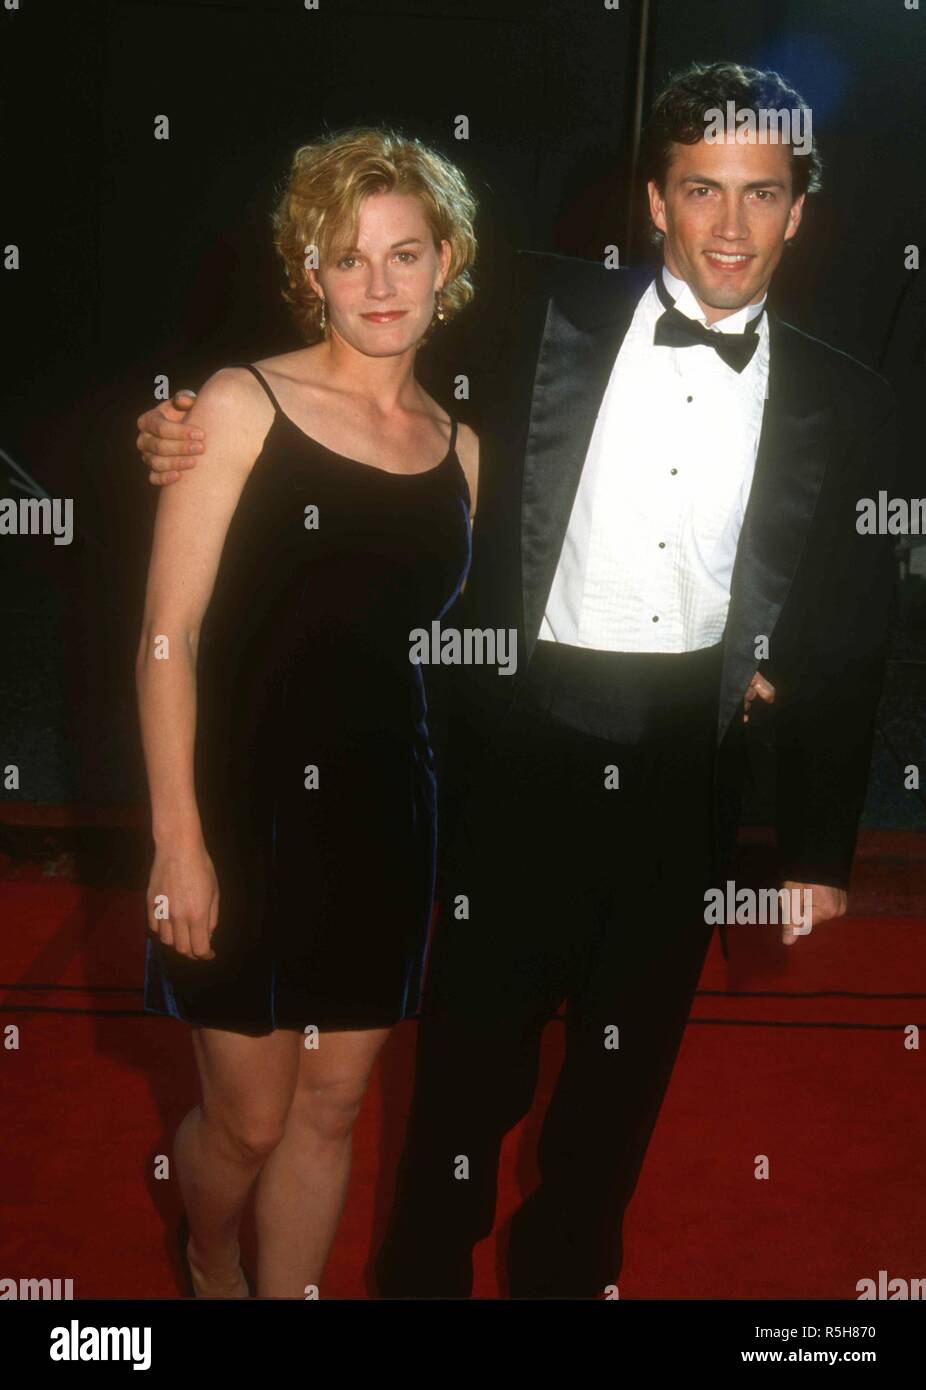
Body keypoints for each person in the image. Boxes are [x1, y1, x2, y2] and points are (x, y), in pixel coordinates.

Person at [138, 63, 899, 1299]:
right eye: (698, 189)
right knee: (461, 1091)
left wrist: (813, 846)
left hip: (683, 772)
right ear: (652, 201)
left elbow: (848, 632)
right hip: (511, 759)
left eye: (759, 195)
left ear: (797, 210)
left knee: (616, 1097)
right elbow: (344, 335)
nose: (726, 223)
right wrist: (169, 416)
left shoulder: (846, 400)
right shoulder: (539, 315)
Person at [135, 127, 479, 1299]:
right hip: (236, 804)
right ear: (310, 272)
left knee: (331, 1106)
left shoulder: (463, 449)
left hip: (387, 810)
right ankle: (208, 1250)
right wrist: (178, 839)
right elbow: (165, 636)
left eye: (403, 254)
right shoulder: (238, 403)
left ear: (447, 261)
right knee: (246, 1123)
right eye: (347, 258)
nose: (377, 285)